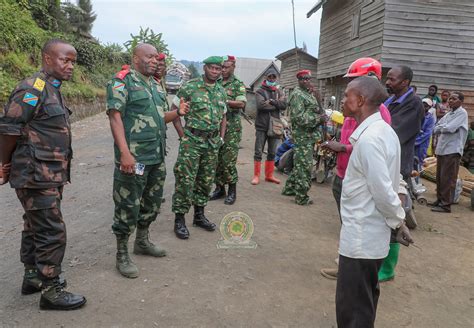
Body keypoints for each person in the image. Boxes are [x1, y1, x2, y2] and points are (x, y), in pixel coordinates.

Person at [0, 39, 86, 310]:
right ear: (48, 59)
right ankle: (52, 290)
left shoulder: (52, 88)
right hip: (36, 173)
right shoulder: (32, 88)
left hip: (47, 173)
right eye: (65, 60)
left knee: (33, 225)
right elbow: (9, 127)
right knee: (51, 230)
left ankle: (32, 276)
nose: (70, 66)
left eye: (73, 61)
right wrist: (3, 163)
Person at [335, 76, 413, 328]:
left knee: (353, 310)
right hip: (370, 237)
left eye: (347, 95)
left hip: (361, 238)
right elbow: (394, 178)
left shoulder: (370, 140)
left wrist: (398, 221)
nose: (344, 100)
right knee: (364, 302)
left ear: (360, 101)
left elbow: (382, 189)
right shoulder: (384, 132)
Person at [106, 43, 189, 278]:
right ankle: (122, 253)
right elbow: (115, 117)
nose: (154, 60)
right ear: (135, 58)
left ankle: (142, 241)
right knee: (127, 205)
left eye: (156, 57)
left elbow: (162, 117)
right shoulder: (122, 82)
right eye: (149, 56)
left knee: (151, 203)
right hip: (134, 158)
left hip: (155, 156)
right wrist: (124, 153)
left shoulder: (155, 84)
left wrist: (179, 113)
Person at [320, 57, 392, 280]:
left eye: (354, 80)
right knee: (347, 223)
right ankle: (344, 264)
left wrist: (342, 147)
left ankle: (351, 271)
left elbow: (370, 148)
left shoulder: (380, 114)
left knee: (357, 225)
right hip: (344, 173)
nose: (348, 87)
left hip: (359, 178)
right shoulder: (353, 110)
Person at [171, 56, 227, 239]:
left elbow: (224, 117)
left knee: (205, 180)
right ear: (205, 68)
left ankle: (199, 216)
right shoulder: (191, 87)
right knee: (185, 180)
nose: (215, 72)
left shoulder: (221, 91)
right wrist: (183, 136)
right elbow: (174, 111)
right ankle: (179, 219)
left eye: (218, 69)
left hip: (211, 144)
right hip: (192, 141)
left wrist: (221, 138)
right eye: (212, 68)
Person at [381, 65, 423, 282]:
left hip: (397, 167)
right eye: (387, 78)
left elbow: (393, 133)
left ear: (405, 82)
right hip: (385, 164)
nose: (387, 82)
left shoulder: (413, 104)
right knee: (381, 214)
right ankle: (379, 261)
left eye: (392, 79)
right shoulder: (390, 101)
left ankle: (388, 269)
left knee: (394, 215)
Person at [281, 70, 323, 205]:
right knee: (304, 166)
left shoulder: (308, 94)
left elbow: (313, 109)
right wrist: (318, 119)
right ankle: (301, 197)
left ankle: (289, 189)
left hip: (309, 135)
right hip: (303, 136)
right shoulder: (297, 95)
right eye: (303, 79)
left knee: (300, 163)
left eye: (308, 79)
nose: (306, 81)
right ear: (298, 81)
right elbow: (298, 118)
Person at [209, 55, 247, 205]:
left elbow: (241, 103)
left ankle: (232, 191)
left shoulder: (238, 84)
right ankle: (219, 189)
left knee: (228, 162)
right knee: (215, 160)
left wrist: (223, 101)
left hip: (231, 129)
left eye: (226, 67)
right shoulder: (215, 82)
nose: (223, 70)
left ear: (233, 67)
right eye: (222, 67)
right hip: (215, 127)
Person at [429, 92, 469, 213]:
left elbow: (450, 128)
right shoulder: (449, 113)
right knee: (440, 177)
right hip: (442, 149)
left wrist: (442, 127)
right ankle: (439, 200)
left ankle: (446, 204)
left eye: (454, 99)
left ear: (461, 101)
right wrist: (443, 127)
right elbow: (436, 127)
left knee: (448, 178)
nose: (451, 101)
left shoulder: (462, 113)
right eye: (450, 98)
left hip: (452, 150)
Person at [251, 69, 287, 185]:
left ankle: (269, 175)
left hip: (275, 126)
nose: (272, 79)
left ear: (276, 78)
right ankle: (256, 176)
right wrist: (276, 104)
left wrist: (272, 102)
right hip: (262, 125)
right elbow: (261, 106)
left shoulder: (279, 91)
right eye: (270, 77)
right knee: (258, 151)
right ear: (265, 77)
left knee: (272, 152)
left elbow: (284, 105)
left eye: (274, 77)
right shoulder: (259, 91)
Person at [414, 98, 436, 164]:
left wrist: (416, 141)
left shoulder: (431, 118)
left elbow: (427, 133)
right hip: (412, 142)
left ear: (429, 107)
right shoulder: (416, 115)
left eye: (426, 106)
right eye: (422, 105)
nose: (423, 107)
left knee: (419, 161)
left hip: (422, 144)